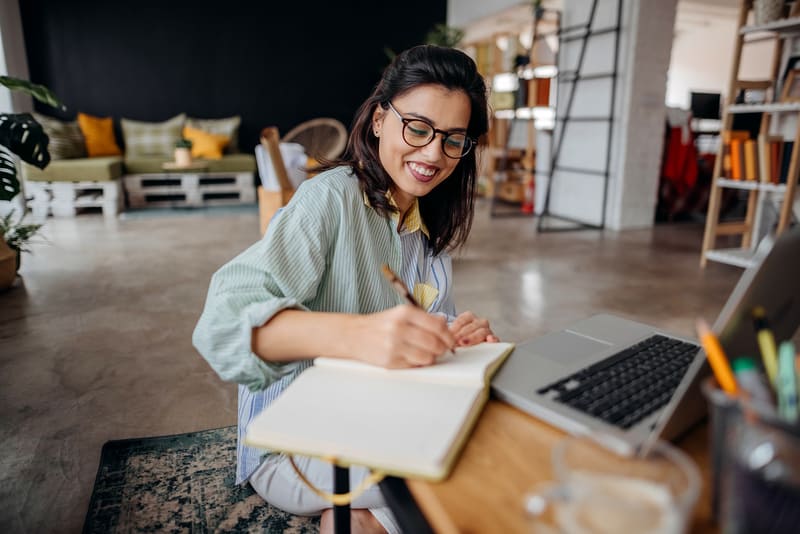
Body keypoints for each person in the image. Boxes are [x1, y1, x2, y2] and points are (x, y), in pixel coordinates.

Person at [193, 44, 497, 534]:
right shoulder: (327, 199)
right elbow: (222, 324)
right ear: (379, 120)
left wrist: (453, 337)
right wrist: (355, 337)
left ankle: (360, 519)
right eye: (417, 128)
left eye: (453, 140)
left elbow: (425, 327)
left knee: (485, 438)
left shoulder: (427, 221)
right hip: (296, 439)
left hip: (378, 413)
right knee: (470, 473)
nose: (433, 154)